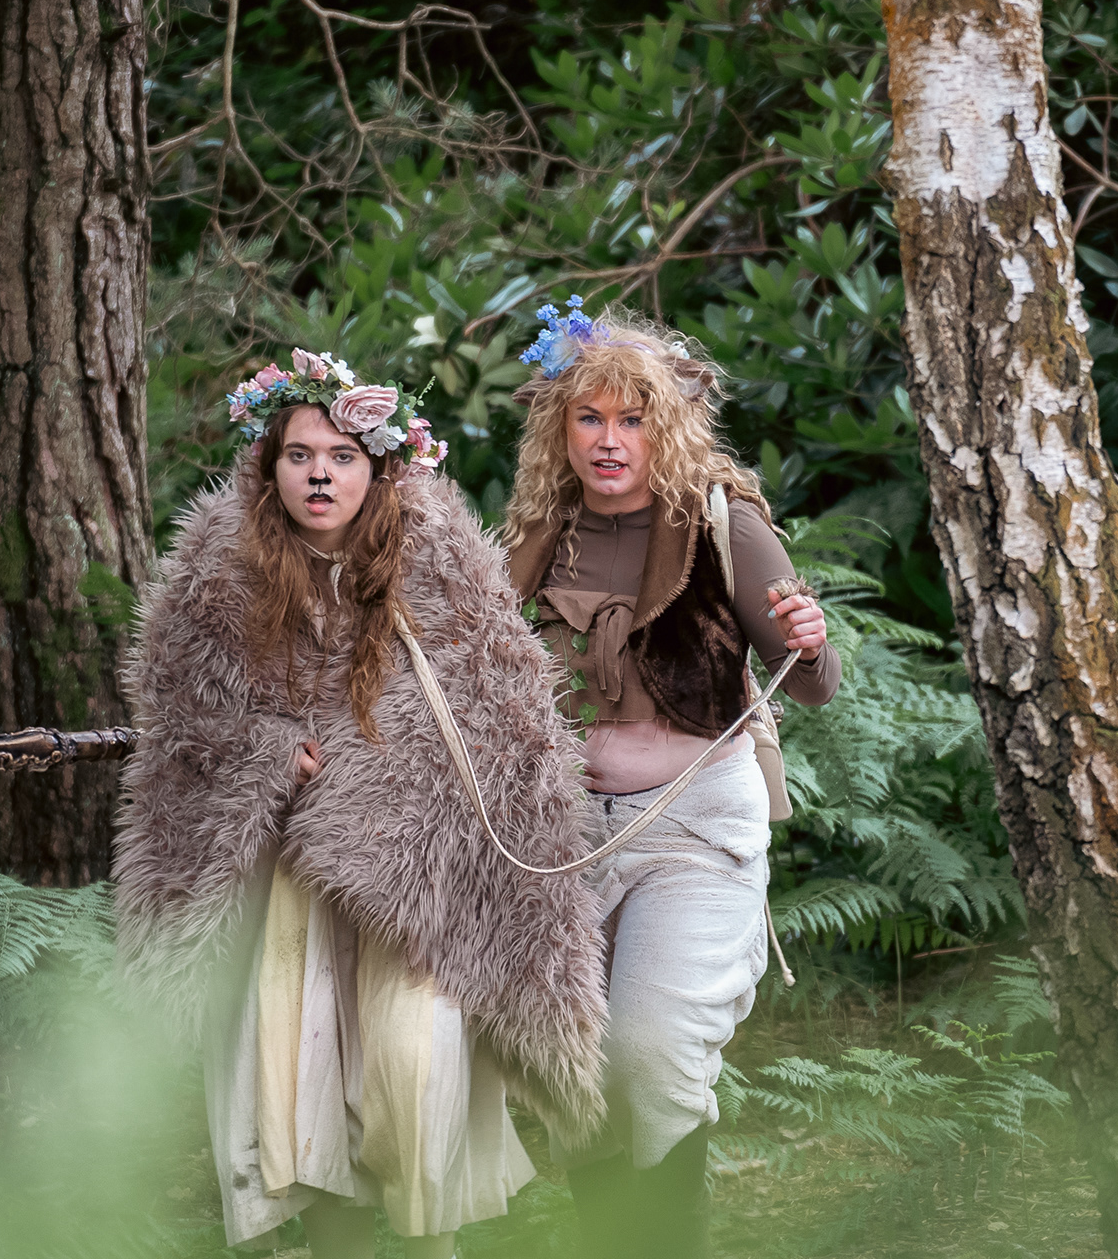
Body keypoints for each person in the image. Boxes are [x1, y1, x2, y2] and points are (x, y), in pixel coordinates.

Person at [113, 351, 608, 1258]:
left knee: (418, 1066)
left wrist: (396, 777)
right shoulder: (219, 574)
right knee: (301, 1087)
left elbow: (503, 711)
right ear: (270, 466)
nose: (320, 476)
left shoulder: (440, 564)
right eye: (300, 456)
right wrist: (270, 753)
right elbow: (184, 719)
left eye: (342, 457)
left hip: (415, 869)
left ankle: (431, 1248)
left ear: (377, 467)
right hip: (292, 877)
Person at [503, 300, 842, 1258]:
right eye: (590, 417)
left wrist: (812, 640)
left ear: (669, 426)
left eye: (633, 419)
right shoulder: (535, 534)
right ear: (561, 426)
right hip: (559, 838)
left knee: (650, 1053)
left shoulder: (722, 526)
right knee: (574, 1072)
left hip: (691, 829)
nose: (610, 441)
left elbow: (811, 683)